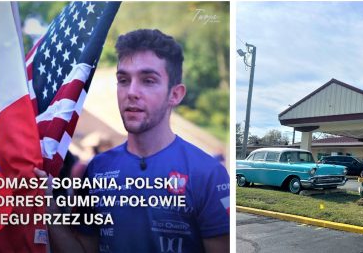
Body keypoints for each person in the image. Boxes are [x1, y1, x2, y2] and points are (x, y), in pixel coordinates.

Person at [36, 29, 230, 253]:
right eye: (123, 80)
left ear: (175, 94)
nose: (132, 92)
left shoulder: (208, 173)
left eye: (148, 80)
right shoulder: (98, 168)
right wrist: (48, 207)